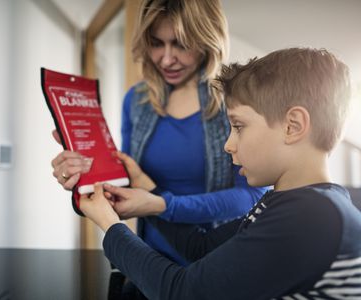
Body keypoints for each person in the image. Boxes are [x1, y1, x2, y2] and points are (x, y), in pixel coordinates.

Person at [78, 47, 361, 299]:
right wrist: (149, 193)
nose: (228, 144)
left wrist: (109, 224)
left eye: (238, 127)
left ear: (293, 125)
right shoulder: (291, 203)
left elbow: (183, 292)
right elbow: (200, 247)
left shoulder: (312, 216)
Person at [51, 0, 265, 267]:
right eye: (155, 43)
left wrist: (162, 204)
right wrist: (84, 173)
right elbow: (128, 183)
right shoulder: (137, 101)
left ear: (209, 39)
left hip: (213, 264)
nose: (166, 58)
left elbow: (253, 197)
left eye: (181, 44)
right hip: (148, 261)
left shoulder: (236, 102)